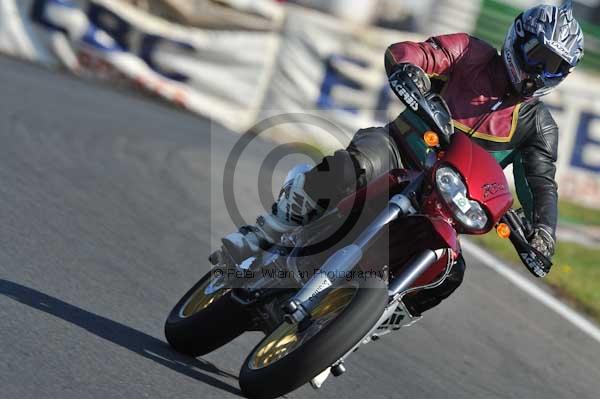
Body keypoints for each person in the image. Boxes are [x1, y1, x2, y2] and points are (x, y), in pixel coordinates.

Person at [222, 2, 584, 320]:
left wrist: (544, 234)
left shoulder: (538, 125)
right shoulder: (470, 51)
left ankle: (369, 325)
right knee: (355, 167)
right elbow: (414, 52)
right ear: (518, 38)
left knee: (449, 271)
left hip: (445, 200)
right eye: (537, 55)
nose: (539, 71)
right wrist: (410, 68)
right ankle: (265, 231)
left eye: (553, 67)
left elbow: (541, 184)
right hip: (397, 150)